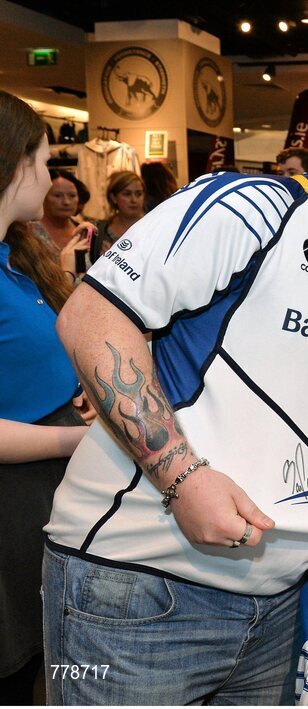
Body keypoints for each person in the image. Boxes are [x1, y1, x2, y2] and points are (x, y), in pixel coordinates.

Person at [44, 77, 308, 705]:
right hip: (137, 595)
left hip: (275, 608)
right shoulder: (254, 206)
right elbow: (92, 317)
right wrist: (181, 477)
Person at [0, 90, 92, 705]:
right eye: (42, 159)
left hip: (45, 492)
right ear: (15, 165)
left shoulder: (18, 254)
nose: (51, 175)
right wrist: (81, 435)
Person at [27, 169, 95, 279]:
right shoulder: (29, 232)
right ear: (43, 197)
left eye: (72, 196)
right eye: (57, 195)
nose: (66, 202)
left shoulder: (84, 231)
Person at [88, 170, 145, 265]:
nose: (134, 200)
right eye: (127, 194)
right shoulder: (99, 232)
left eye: (138, 194)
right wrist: (103, 263)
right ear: (113, 198)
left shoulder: (154, 228)